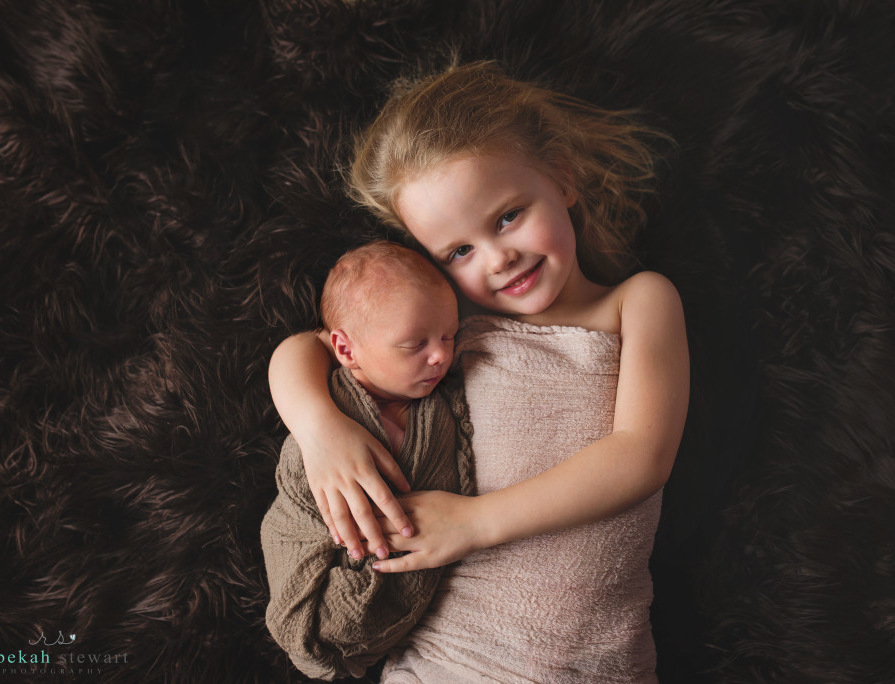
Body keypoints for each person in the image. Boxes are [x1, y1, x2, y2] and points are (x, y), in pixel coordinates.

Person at [268, 61, 690, 682]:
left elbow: (642, 455)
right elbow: (308, 348)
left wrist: (476, 523)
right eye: (458, 252)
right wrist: (319, 429)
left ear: (563, 178)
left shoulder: (636, 303)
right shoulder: (454, 328)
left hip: (597, 661)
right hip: (448, 656)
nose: (498, 258)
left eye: (508, 216)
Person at [260, 241, 474, 680]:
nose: (440, 355)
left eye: (448, 335)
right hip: (326, 568)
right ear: (346, 350)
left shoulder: (438, 405)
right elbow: (299, 494)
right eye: (415, 344)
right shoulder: (334, 402)